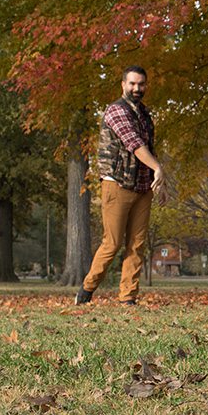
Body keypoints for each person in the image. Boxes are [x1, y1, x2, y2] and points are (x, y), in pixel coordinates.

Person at [75, 66, 166, 306]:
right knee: (112, 243)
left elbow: (149, 149)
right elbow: (134, 144)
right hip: (117, 185)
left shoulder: (145, 114)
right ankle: (86, 290)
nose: (137, 88)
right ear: (123, 84)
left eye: (141, 84)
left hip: (143, 188)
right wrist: (158, 167)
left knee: (137, 245)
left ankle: (128, 298)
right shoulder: (116, 111)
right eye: (133, 84)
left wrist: (159, 182)